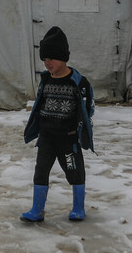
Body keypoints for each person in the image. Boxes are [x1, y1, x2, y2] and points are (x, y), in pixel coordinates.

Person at [20, 26, 94, 223]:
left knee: (75, 172)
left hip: (68, 139)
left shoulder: (78, 82)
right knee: (40, 172)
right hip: (47, 137)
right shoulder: (45, 80)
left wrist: (79, 130)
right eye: (45, 58)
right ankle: (37, 210)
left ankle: (78, 208)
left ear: (63, 58)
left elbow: (88, 108)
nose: (47, 62)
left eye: (52, 58)